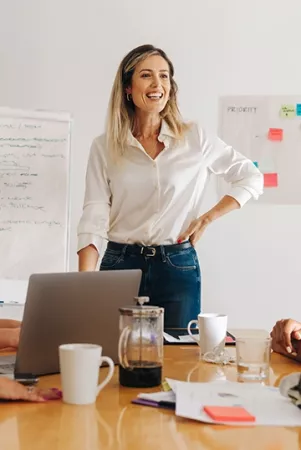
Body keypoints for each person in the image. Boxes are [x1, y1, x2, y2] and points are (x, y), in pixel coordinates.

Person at [77, 44, 263, 328]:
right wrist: (84, 285)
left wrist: (207, 218)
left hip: (177, 265)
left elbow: (251, 176)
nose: (157, 84)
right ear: (128, 87)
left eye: (164, 76)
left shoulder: (194, 138)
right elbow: (94, 215)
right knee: (117, 356)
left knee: (180, 360)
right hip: (120, 264)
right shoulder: (105, 147)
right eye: (146, 75)